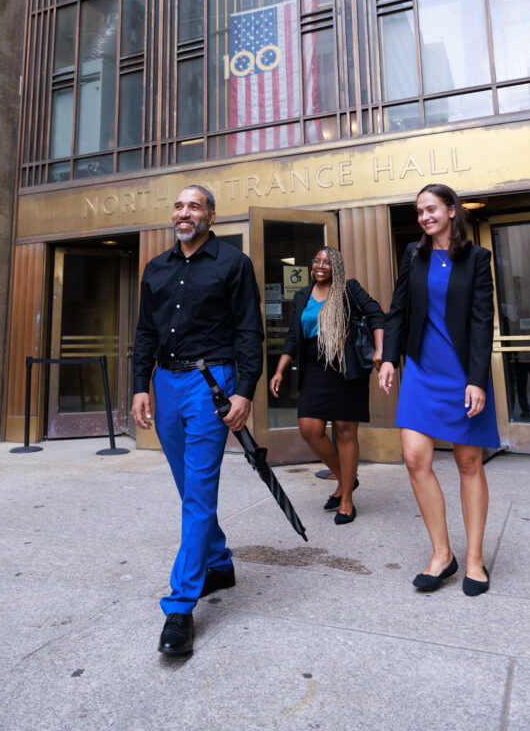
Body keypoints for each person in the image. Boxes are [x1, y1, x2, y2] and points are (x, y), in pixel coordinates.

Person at [132, 185, 263, 656]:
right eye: (179, 205)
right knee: (188, 485)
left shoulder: (233, 264)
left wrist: (244, 390)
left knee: (200, 488)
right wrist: (140, 386)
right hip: (165, 384)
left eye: (194, 206)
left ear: (211, 215)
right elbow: (145, 332)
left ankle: (180, 605)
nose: (184, 212)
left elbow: (250, 330)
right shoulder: (156, 268)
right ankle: (219, 561)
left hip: (212, 382)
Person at [378, 184, 500, 596]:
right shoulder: (414, 256)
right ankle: (441, 553)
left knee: (468, 462)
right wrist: (390, 358)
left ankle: (474, 559)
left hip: (463, 372)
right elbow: (398, 310)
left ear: (451, 211)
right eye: (419, 212)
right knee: (414, 458)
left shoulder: (477, 259)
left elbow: (483, 321)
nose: (424, 217)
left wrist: (477, 379)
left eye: (431, 209)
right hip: (420, 369)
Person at [269, 246, 384, 525]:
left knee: (345, 431)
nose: (320, 266)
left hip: (346, 368)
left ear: (337, 267)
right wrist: (280, 370)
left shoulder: (349, 290)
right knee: (310, 428)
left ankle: (346, 499)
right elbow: (293, 338)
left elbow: (378, 315)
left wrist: (380, 350)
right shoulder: (302, 296)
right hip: (315, 369)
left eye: (327, 262)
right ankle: (347, 479)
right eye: (317, 260)